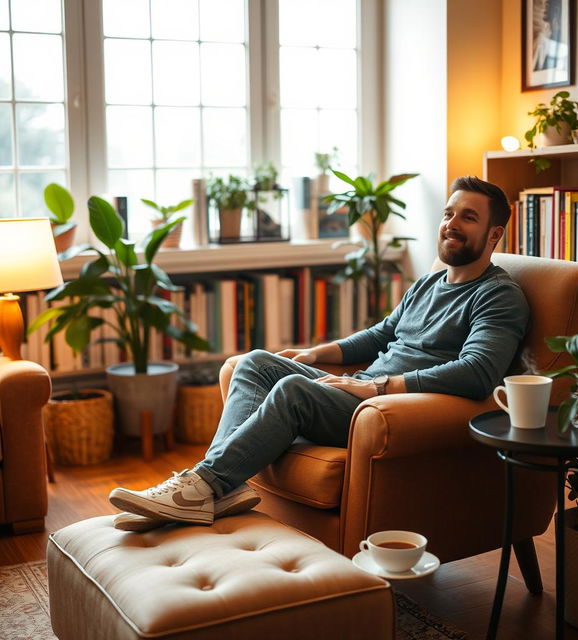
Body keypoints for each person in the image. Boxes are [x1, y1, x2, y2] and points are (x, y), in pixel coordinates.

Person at [109, 175, 530, 532]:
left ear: (494, 234)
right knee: (256, 362)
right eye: (448, 213)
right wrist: (315, 353)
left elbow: (478, 373)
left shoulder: (498, 296)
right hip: (361, 392)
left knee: (293, 389)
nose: (451, 224)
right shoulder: (429, 282)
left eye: (468, 217)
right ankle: (222, 487)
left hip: (391, 407)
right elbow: (383, 333)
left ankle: (202, 486)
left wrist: (378, 386)